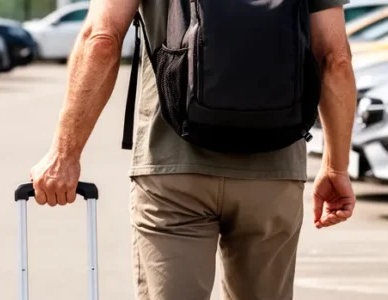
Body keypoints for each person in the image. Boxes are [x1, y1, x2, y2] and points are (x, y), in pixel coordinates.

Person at [29, 0, 357, 298]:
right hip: (273, 170)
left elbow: (100, 39)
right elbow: (335, 58)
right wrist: (336, 167)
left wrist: (64, 154)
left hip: (173, 168)